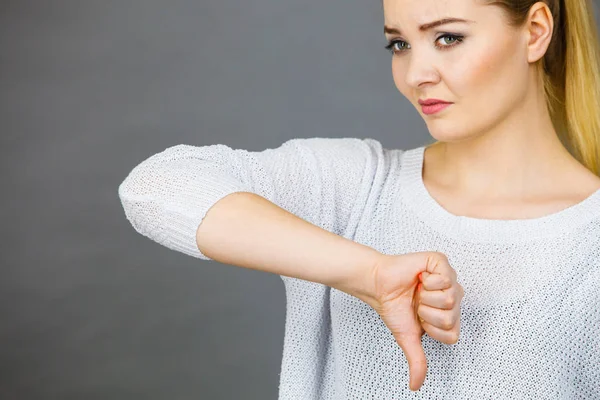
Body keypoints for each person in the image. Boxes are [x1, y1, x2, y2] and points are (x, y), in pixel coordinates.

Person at [117, 0, 600, 398]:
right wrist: (368, 274)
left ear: (535, 31)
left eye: (447, 38)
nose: (416, 73)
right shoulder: (354, 188)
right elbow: (154, 188)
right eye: (400, 44)